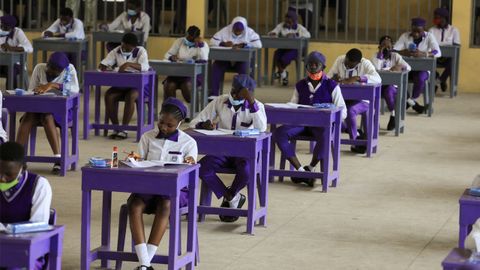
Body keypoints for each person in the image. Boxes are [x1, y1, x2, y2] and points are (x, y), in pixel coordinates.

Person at [128, 98, 196, 270]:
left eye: (170, 125)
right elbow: (139, 160)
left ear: (180, 123)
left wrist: (190, 162)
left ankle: (144, 263)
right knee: (134, 204)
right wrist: (134, 159)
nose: (164, 128)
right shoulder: (147, 137)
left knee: (166, 204)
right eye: (161, 122)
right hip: (150, 187)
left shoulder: (188, 142)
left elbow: (191, 169)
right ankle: (145, 263)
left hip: (177, 191)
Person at [190, 74, 266, 222]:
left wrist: (251, 102)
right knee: (202, 167)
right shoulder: (220, 101)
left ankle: (231, 195)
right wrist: (203, 124)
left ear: (248, 94)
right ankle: (231, 196)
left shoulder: (257, 106)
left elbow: (262, 128)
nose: (233, 95)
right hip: (222, 151)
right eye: (233, 91)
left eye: (239, 93)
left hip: (244, 154)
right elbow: (194, 122)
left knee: (246, 171)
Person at [273, 51, 346, 186]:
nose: (312, 67)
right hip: (300, 123)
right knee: (279, 133)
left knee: (326, 135)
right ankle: (300, 170)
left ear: (323, 67)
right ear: (306, 66)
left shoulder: (332, 86)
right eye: (309, 64)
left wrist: (331, 115)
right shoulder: (300, 85)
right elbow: (292, 105)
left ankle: (311, 167)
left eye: (316, 64)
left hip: (320, 126)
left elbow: (343, 111)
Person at [16, 52, 79, 174]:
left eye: (58, 71)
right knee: (27, 117)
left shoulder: (69, 69)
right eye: (52, 69)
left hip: (61, 109)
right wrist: (38, 90)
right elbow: (30, 89)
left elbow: (75, 89)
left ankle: (57, 158)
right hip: (38, 106)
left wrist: (52, 85)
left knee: (47, 116)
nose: (54, 73)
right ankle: (17, 159)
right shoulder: (39, 68)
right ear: (47, 64)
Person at [0, 142, 52, 270]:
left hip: (27, 253)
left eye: (9, 175)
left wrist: (6, 230)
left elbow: (37, 227)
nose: (2, 179)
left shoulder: (39, 186)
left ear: (22, 169)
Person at [327, 48, 381, 154]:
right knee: (331, 113)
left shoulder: (365, 63)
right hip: (344, 98)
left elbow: (378, 79)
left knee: (350, 111)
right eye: (346, 63)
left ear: (358, 63)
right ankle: (354, 133)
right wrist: (333, 78)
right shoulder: (340, 60)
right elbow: (328, 77)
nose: (347, 66)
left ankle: (355, 142)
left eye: (351, 65)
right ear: (345, 57)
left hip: (363, 100)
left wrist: (357, 78)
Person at [99, 33, 150, 140]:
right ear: (123, 44)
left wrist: (128, 64)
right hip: (121, 85)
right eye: (129, 46)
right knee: (109, 95)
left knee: (131, 96)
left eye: (133, 47)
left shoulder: (140, 51)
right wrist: (104, 65)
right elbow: (104, 63)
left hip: (137, 87)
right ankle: (117, 128)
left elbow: (145, 66)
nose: (131, 48)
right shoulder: (116, 51)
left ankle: (124, 129)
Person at [394, 17, 441, 114]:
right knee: (398, 76)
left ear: (424, 29)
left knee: (420, 78)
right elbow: (395, 50)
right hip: (408, 69)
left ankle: (410, 101)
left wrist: (424, 54)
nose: (415, 34)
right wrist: (405, 52)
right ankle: (413, 103)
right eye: (413, 31)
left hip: (422, 69)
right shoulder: (405, 36)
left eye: (418, 31)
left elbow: (437, 52)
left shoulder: (429, 36)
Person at [209, 16, 262, 98]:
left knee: (244, 69)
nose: (237, 33)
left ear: (244, 29)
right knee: (216, 66)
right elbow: (212, 41)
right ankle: (213, 94)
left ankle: (243, 95)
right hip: (226, 60)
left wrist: (244, 45)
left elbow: (258, 44)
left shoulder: (250, 32)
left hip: (241, 62)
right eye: (235, 30)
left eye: (239, 31)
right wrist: (223, 44)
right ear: (232, 27)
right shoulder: (225, 30)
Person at [371, 35, 411, 131]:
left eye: (388, 47)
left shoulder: (396, 56)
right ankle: (387, 116)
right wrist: (380, 55)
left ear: (392, 48)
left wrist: (400, 67)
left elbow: (408, 67)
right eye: (383, 46)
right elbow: (376, 69)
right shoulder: (375, 56)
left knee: (389, 90)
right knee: (380, 92)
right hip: (378, 87)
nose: (386, 49)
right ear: (379, 47)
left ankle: (393, 114)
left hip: (392, 87)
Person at [164, 25, 209, 104]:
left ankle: (194, 108)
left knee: (186, 86)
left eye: (191, 38)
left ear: (196, 38)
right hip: (178, 72)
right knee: (168, 85)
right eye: (187, 36)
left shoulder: (203, 45)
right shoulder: (180, 41)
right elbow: (167, 54)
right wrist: (171, 57)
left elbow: (204, 60)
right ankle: (172, 108)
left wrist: (200, 46)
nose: (187, 39)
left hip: (194, 74)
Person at [268, 10, 311, 86]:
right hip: (284, 48)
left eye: (290, 21)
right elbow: (273, 32)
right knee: (277, 54)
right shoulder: (281, 25)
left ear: (294, 21)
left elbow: (308, 35)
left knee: (285, 58)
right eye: (286, 20)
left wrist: (296, 34)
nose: (288, 23)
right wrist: (273, 33)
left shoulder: (299, 27)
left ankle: (281, 73)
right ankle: (284, 74)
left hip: (295, 49)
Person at [429, 7, 460, 92]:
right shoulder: (431, 30)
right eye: (435, 17)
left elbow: (456, 46)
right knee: (427, 61)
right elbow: (428, 45)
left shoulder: (454, 30)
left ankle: (440, 80)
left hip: (448, 59)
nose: (435, 20)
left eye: (437, 17)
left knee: (453, 62)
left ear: (444, 18)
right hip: (435, 57)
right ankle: (437, 77)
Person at [0, 15, 32, 89]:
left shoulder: (18, 32)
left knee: (11, 70)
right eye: (1, 25)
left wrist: (11, 48)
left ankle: (10, 93)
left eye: (4, 27)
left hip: (15, 64)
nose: (2, 28)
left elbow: (29, 48)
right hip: (2, 62)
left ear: (11, 27)